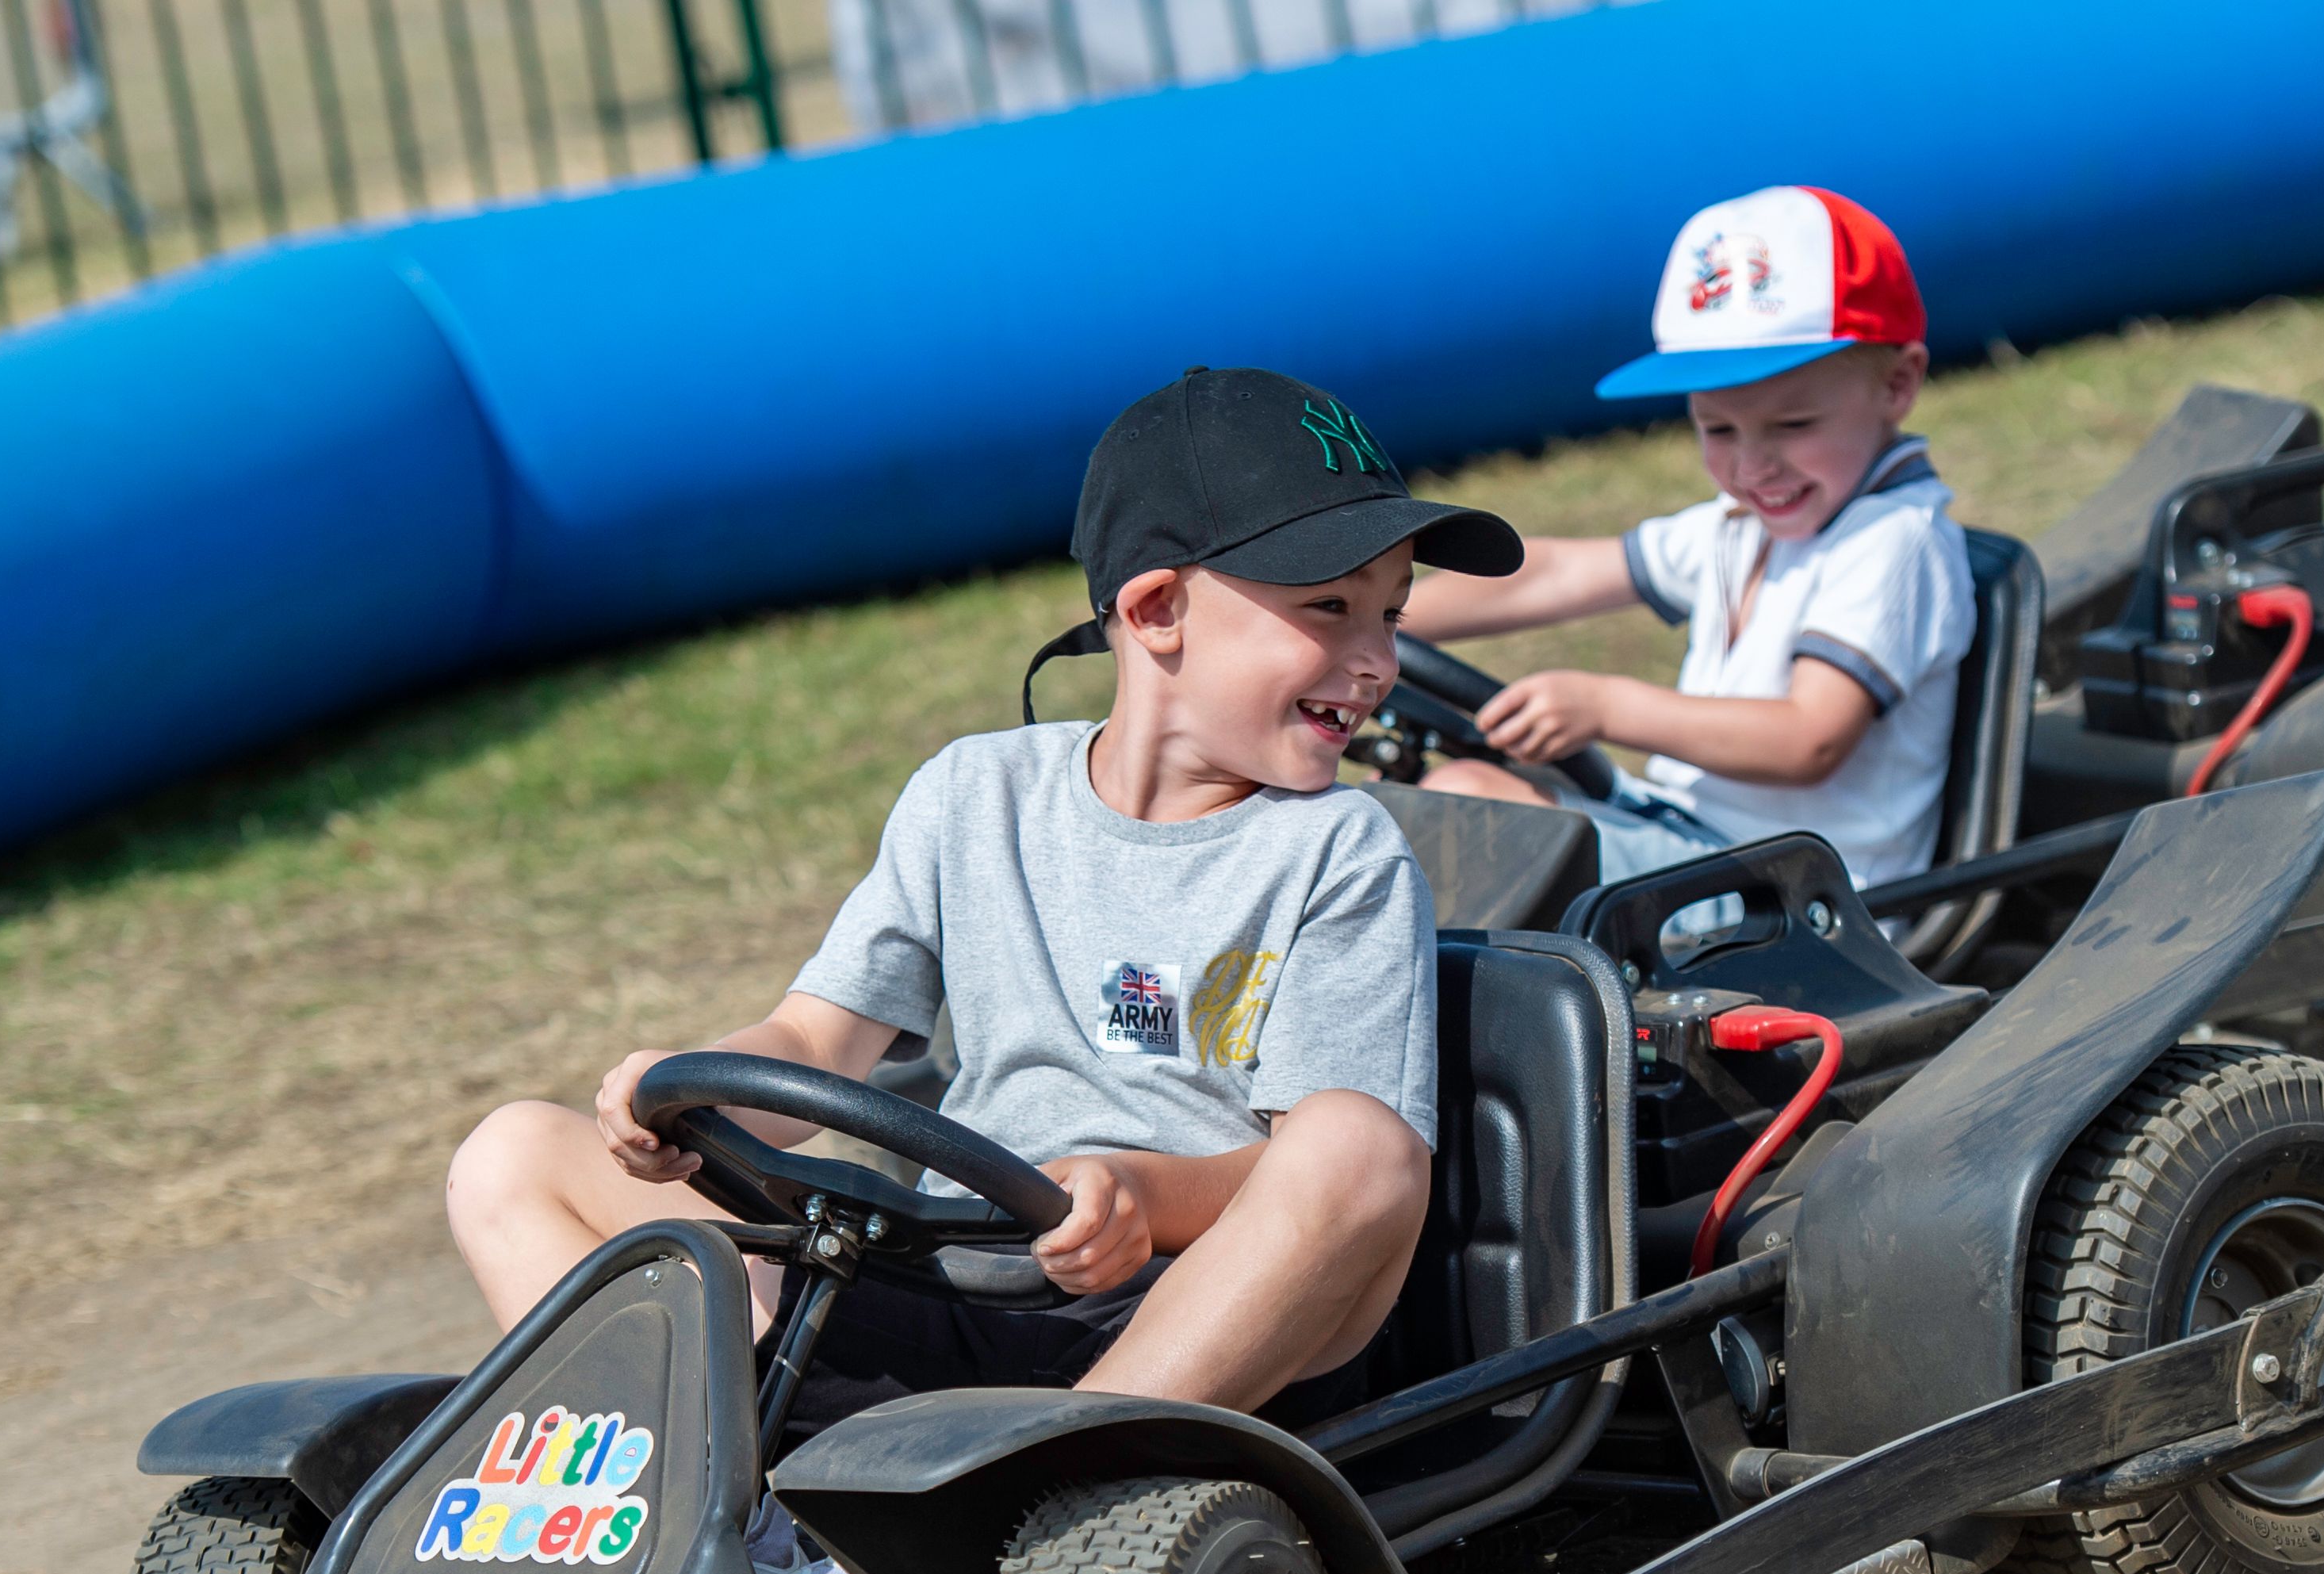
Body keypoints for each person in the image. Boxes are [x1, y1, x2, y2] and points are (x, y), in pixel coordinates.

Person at [442, 366, 1524, 1426]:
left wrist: (1142, 1198)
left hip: (1193, 1308)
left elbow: (1322, 1174)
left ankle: (1043, 1491)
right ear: (1155, 611)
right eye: (1329, 606)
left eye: (1391, 612)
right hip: (949, 1278)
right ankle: (690, 1508)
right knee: (514, 1152)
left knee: (1358, 1140)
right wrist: (690, 1097)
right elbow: (816, 1040)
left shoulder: (1340, 850)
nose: (1376, 659)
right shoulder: (975, 793)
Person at [1400, 185, 1976, 892]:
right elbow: (1554, 574)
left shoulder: (1892, 542)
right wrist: (1381, 621)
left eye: (1793, 426)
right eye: (1718, 429)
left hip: (1801, 897)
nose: (1751, 465)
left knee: (1474, 812)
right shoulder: (1738, 526)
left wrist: (1607, 707)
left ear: (1897, 384)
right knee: (1451, 790)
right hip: (1698, 844)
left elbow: (1808, 738)